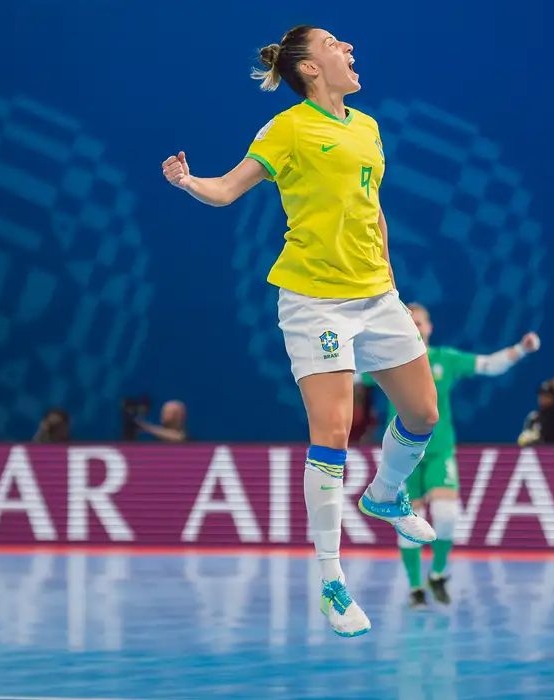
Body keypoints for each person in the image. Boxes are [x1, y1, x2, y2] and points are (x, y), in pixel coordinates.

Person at [161, 25, 440, 638]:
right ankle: (332, 581)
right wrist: (187, 182)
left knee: (423, 413)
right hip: (317, 302)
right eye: (336, 45)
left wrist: (386, 273)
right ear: (310, 68)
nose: (349, 49)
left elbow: (371, 206)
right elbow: (228, 189)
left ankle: (387, 494)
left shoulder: (366, 127)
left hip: (377, 294)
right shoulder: (286, 129)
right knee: (333, 430)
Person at [363, 303, 540, 609]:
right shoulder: (387, 362)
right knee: (407, 523)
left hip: (439, 450)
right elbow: (350, 376)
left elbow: (488, 364)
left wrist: (520, 350)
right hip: (402, 457)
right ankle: (416, 588)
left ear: (429, 328)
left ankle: (439, 574)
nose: (416, 328)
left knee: (446, 517)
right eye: (410, 323)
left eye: (420, 323)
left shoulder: (446, 359)